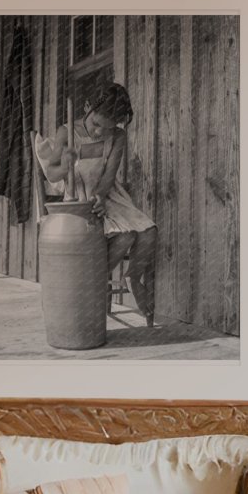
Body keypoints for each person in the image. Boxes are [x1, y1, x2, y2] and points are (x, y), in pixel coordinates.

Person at [35, 83, 157, 326]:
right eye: (96, 125)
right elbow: (52, 175)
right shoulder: (66, 132)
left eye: (108, 128)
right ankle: (90, 283)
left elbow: (109, 175)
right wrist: (66, 164)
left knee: (149, 232)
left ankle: (133, 278)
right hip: (78, 198)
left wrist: (101, 196)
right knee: (124, 238)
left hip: (106, 194)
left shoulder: (119, 137)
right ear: (87, 107)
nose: (100, 132)